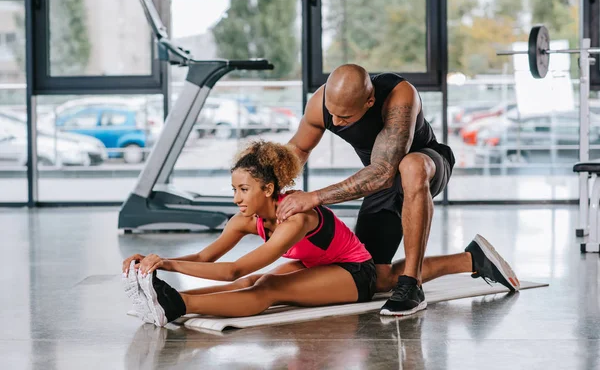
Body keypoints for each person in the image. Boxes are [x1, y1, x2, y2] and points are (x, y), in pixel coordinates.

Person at [274, 64, 520, 316]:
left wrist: (313, 198)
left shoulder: (400, 94)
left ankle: (412, 284)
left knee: (410, 166)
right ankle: (472, 260)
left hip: (427, 163)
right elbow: (297, 150)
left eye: (345, 118)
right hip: (382, 183)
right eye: (332, 114)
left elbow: (382, 172)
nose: (336, 122)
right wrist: (268, 189)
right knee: (375, 279)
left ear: (369, 100)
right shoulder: (320, 103)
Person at [122, 141, 377, 326]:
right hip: (315, 264)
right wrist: (154, 263)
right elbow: (204, 257)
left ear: (267, 189)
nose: (236, 198)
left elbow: (233, 269)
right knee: (248, 283)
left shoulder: (295, 219)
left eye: (244, 189)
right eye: (234, 189)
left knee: (268, 286)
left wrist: (169, 264)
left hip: (355, 272)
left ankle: (178, 305)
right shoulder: (243, 220)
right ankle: (169, 297)